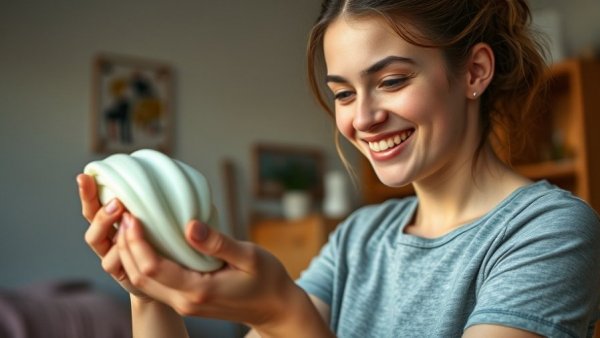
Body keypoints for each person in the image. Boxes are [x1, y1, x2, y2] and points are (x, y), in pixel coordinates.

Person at [77, 0, 600, 337]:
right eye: (344, 93)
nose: (364, 119)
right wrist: (146, 290)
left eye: (392, 80)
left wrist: (283, 312)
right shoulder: (358, 239)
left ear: (474, 72)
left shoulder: (547, 231)